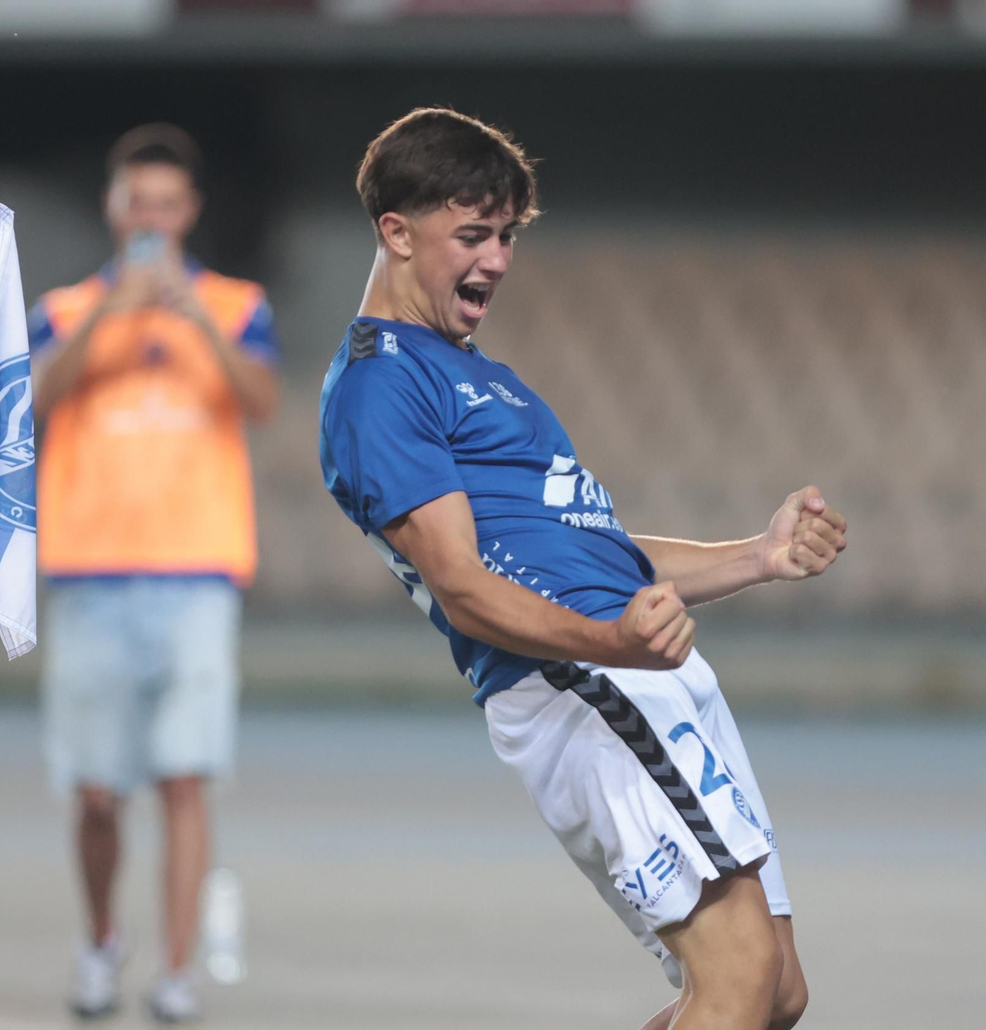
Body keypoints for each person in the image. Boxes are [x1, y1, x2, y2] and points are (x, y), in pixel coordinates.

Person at [318, 108, 849, 1030]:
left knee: (775, 992)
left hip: (634, 673)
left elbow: (601, 546)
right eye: (472, 234)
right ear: (395, 232)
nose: (496, 259)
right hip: (581, 684)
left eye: (507, 235)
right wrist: (614, 645)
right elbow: (464, 587)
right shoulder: (382, 382)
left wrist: (757, 557)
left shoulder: (473, 369)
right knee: (735, 984)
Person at [29, 123, 280, 1023]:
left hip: (196, 572)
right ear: (113, 206)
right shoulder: (62, 310)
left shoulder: (235, 303)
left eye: (167, 204)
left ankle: (175, 972)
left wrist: (188, 320)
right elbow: (31, 400)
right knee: (97, 790)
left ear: (190, 212)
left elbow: (259, 399)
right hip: (91, 573)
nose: (152, 217)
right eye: (138, 201)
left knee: (185, 775)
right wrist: (110, 312)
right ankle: (101, 938)